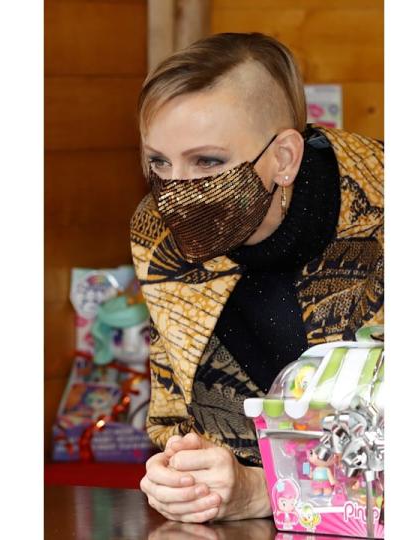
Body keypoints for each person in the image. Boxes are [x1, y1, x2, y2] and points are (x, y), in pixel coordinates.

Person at [131, 32, 383, 523]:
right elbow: (175, 410)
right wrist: (181, 475)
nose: (176, 193)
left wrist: (265, 490)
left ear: (284, 158)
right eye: (159, 161)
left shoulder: (381, 212)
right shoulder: (157, 235)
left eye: (208, 161)